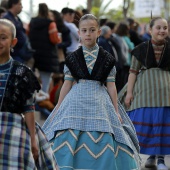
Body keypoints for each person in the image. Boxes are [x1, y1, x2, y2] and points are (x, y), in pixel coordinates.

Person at [42, 14, 140, 170]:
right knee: (68, 130)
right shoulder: (72, 57)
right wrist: (58, 107)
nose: (88, 33)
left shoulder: (107, 58)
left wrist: (115, 110)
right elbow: (67, 84)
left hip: (99, 100)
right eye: (84, 30)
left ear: (99, 32)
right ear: (79, 33)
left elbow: (111, 86)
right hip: (75, 100)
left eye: (92, 30)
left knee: (105, 132)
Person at [0, 19, 58, 169]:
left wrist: (33, 140)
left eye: (3, 37)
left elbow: (29, 108)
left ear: (13, 42)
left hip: (13, 129)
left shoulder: (22, 72)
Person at [121, 17, 170, 170]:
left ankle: (160, 159)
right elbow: (133, 72)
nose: (162, 30)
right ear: (150, 30)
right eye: (158, 27)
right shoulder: (140, 49)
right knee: (147, 126)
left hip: (166, 94)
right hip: (144, 94)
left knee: (162, 124)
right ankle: (150, 157)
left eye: (165, 27)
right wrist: (129, 93)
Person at [29, 3, 61, 92]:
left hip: (34, 55)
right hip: (47, 57)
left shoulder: (32, 22)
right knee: (45, 82)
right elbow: (54, 40)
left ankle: (35, 102)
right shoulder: (51, 24)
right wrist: (59, 39)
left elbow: (28, 35)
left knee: (33, 82)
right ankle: (43, 103)